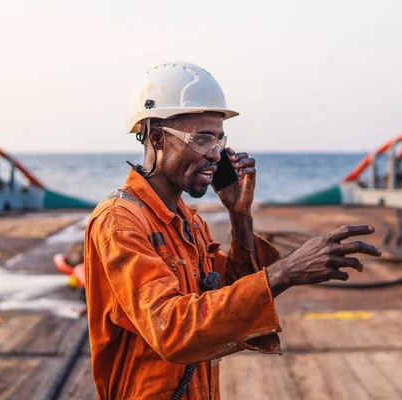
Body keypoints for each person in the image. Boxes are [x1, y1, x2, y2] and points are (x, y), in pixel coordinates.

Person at [84, 61, 382, 400]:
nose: (215, 154)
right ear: (156, 137)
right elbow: (172, 329)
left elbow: (226, 298)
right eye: (202, 139)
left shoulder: (189, 221)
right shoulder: (119, 222)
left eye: (219, 138)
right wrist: (286, 271)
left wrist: (240, 216)